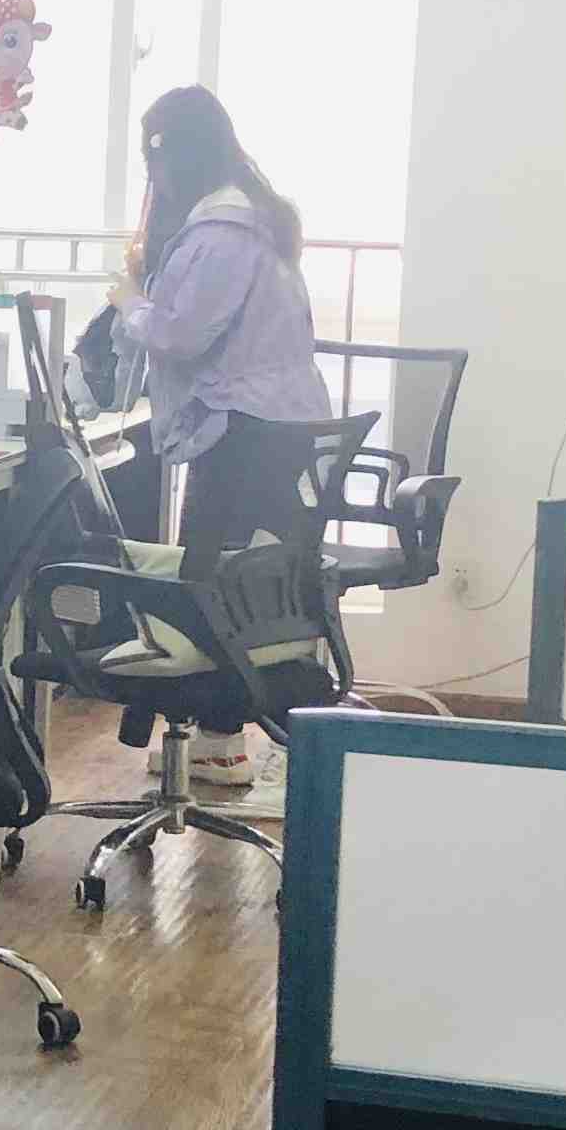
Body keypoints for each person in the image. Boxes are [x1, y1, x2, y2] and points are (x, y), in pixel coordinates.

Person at [108, 86, 333, 784]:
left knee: (212, 588)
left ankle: (222, 739)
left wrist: (130, 303)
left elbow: (180, 335)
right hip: (278, 425)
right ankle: (226, 740)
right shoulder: (259, 223)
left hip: (241, 431)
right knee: (256, 588)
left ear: (176, 157)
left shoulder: (220, 235)